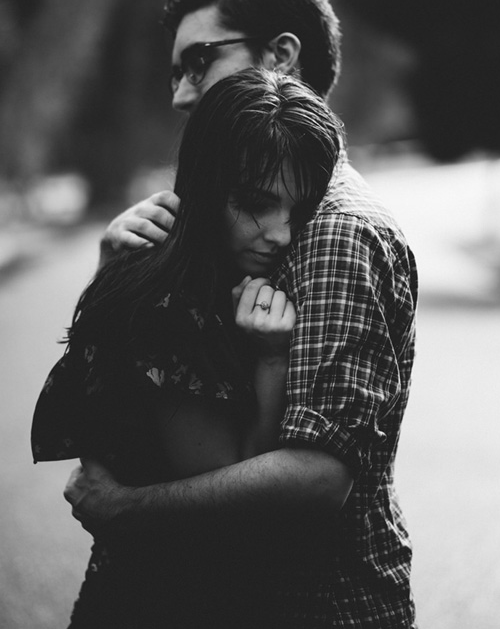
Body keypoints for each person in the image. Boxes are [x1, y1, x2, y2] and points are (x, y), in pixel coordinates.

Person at [64, 0, 419, 628]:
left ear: (281, 58)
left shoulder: (332, 230)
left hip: (308, 606)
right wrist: (114, 279)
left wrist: (126, 509)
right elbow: (109, 399)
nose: (181, 94)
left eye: (199, 62)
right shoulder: (201, 225)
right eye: (174, 72)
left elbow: (315, 476)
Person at [32, 68, 345, 627]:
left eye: (298, 211)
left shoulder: (203, 278)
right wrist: (272, 358)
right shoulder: (170, 307)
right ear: (205, 183)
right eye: (256, 202)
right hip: (163, 604)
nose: (280, 234)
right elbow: (238, 506)